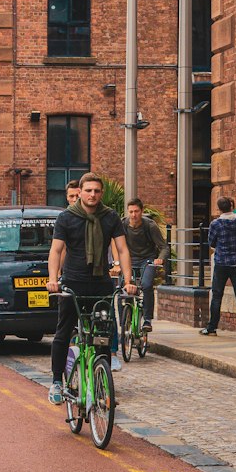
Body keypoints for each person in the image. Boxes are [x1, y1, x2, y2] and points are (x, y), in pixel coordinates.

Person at [46, 172, 136, 405]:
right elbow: (56, 251)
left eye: (96, 191)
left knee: (103, 335)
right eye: (88, 190)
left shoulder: (110, 217)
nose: (92, 194)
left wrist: (128, 280)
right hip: (73, 283)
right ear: (81, 192)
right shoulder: (66, 218)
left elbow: (122, 249)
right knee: (64, 332)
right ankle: (56, 381)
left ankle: (102, 385)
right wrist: (53, 279)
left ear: (101, 193)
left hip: (100, 284)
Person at [201, 196, 236, 336]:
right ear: (231, 205)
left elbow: (211, 243)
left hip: (221, 263)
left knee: (217, 296)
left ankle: (211, 328)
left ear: (218, 209)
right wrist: (233, 206)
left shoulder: (215, 224)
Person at [120, 199, 167, 330]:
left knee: (146, 285)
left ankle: (147, 319)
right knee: (122, 288)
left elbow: (164, 247)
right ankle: (124, 321)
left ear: (142, 211)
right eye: (131, 212)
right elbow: (116, 244)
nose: (133, 215)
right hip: (128, 260)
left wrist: (160, 259)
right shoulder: (123, 224)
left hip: (147, 260)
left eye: (136, 211)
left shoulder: (150, 226)